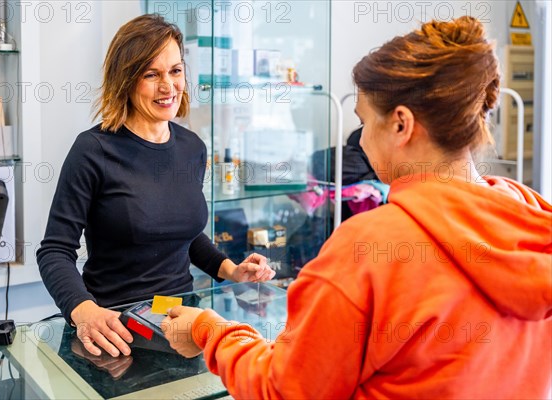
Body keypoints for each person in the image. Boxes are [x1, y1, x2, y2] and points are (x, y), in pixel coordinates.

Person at [161, 16, 552, 398]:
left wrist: (210, 330)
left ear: (401, 124)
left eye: (364, 122)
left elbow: (282, 389)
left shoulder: (369, 246)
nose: (360, 141)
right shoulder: (531, 217)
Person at [37, 14, 275, 358]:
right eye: (151, 74)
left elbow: (184, 232)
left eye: (175, 71)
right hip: (113, 329)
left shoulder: (193, 147)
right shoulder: (93, 150)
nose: (168, 86)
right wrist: (83, 310)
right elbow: (54, 251)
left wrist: (230, 270)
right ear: (126, 81)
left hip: (182, 322)